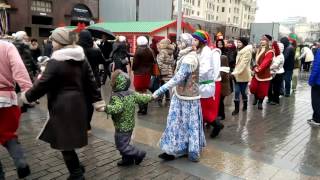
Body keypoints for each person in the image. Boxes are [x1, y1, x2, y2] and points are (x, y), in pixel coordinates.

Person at [21, 27, 105, 179]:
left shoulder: (55, 61)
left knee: (64, 143)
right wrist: (97, 101)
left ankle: (77, 174)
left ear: (60, 42)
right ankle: (77, 167)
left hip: (62, 106)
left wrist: (26, 97)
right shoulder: (81, 58)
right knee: (67, 139)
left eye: (53, 40)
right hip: (78, 104)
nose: (52, 43)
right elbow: (91, 81)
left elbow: (42, 85)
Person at [152, 33, 205, 162]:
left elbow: (178, 78)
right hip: (182, 96)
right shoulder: (186, 55)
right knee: (177, 124)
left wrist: (160, 90)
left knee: (183, 124)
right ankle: (175, 149)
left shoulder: (189, 58)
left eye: (180, 42)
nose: (178, 45)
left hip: (188, 99)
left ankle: (185, 149)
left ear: (185, 43)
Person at [105, 70, 151, 166]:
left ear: (115, 83)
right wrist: (151, 97)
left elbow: (118, 108)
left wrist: (106, 108)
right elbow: (142, 98)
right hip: (129, 124)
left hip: (122, 126)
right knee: (125, 142)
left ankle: (139, 154)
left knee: (121, 145)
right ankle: (127, 159)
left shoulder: (116, 96)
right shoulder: (131, 92)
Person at [0, 40, 32, 179]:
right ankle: (20, 162)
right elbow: (19, 69)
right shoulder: (6, 46)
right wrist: (28, 92)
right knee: (8, 134)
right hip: (6, 98)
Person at [193, 30, 224, 138]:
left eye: (195, 40)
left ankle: (217, 125)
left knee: (205, 111)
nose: (193, 42)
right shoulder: (200, 50)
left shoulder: (206, 51)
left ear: (201, 41)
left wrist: (194, 77)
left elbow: (205, 69)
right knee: (201, 109)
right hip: (201, 84)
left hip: (204, 85)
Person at [78, 30, 108, 132]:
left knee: (80, 102)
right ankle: (87, 126)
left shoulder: (77, 51)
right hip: (93, 80)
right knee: (89, 103)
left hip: (79, 80)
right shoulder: (95, 51)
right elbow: (104, 61)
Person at [250, 34, 274, 110]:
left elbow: (265, 63)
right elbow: (253, 59)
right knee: (253, 87)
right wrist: (253, 67)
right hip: (256, 73)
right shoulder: (258, 49)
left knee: (262, 90)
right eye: (261, 40)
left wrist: (257, 70)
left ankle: (260, 102)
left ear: (267, 42)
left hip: (264, 74)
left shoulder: (270, 51)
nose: (261, 41)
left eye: (264, 40)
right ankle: (255, 97)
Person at [132, 36, 154, 115]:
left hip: (139, 74)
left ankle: (141, 108)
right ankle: (145, 108)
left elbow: (134, 64)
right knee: (144, 91)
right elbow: (153, 61)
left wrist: (133, 69)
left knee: (138, 91)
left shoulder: (138, 51)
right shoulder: (150, 50)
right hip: (147, 74)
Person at [231, 37, 252, 115]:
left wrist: (234, 73)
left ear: (244, 43)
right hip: (237, 74)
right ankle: (236, 109)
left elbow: (243, 64)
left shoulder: (247, 52)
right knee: (236, 92)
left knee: (243, 92)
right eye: (237, 42)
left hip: (243, 75)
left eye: (240, 42)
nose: (238, 44)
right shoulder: (239, 51)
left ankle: (245, 105)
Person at [156, 38, 175, 105]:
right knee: (166, 84)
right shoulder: (171, 52)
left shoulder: (162, 52)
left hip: (163, 71)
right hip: (169, 70)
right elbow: (172, 62)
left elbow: (159, 62)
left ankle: (160, 98)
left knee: (162, 85)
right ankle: (167, 98)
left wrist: (158, 71)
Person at [308, 49, 320, 126]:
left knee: (316, 100)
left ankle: (317, 119)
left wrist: (311, 80)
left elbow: (317, 66)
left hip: (318, 81)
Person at [218, 55, 232, 120]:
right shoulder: (227, 69)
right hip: (225, 89)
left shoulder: (222, 70)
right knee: (220, 101)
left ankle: (222, 115)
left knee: (220, 102)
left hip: (222, 89)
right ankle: (220, 114)